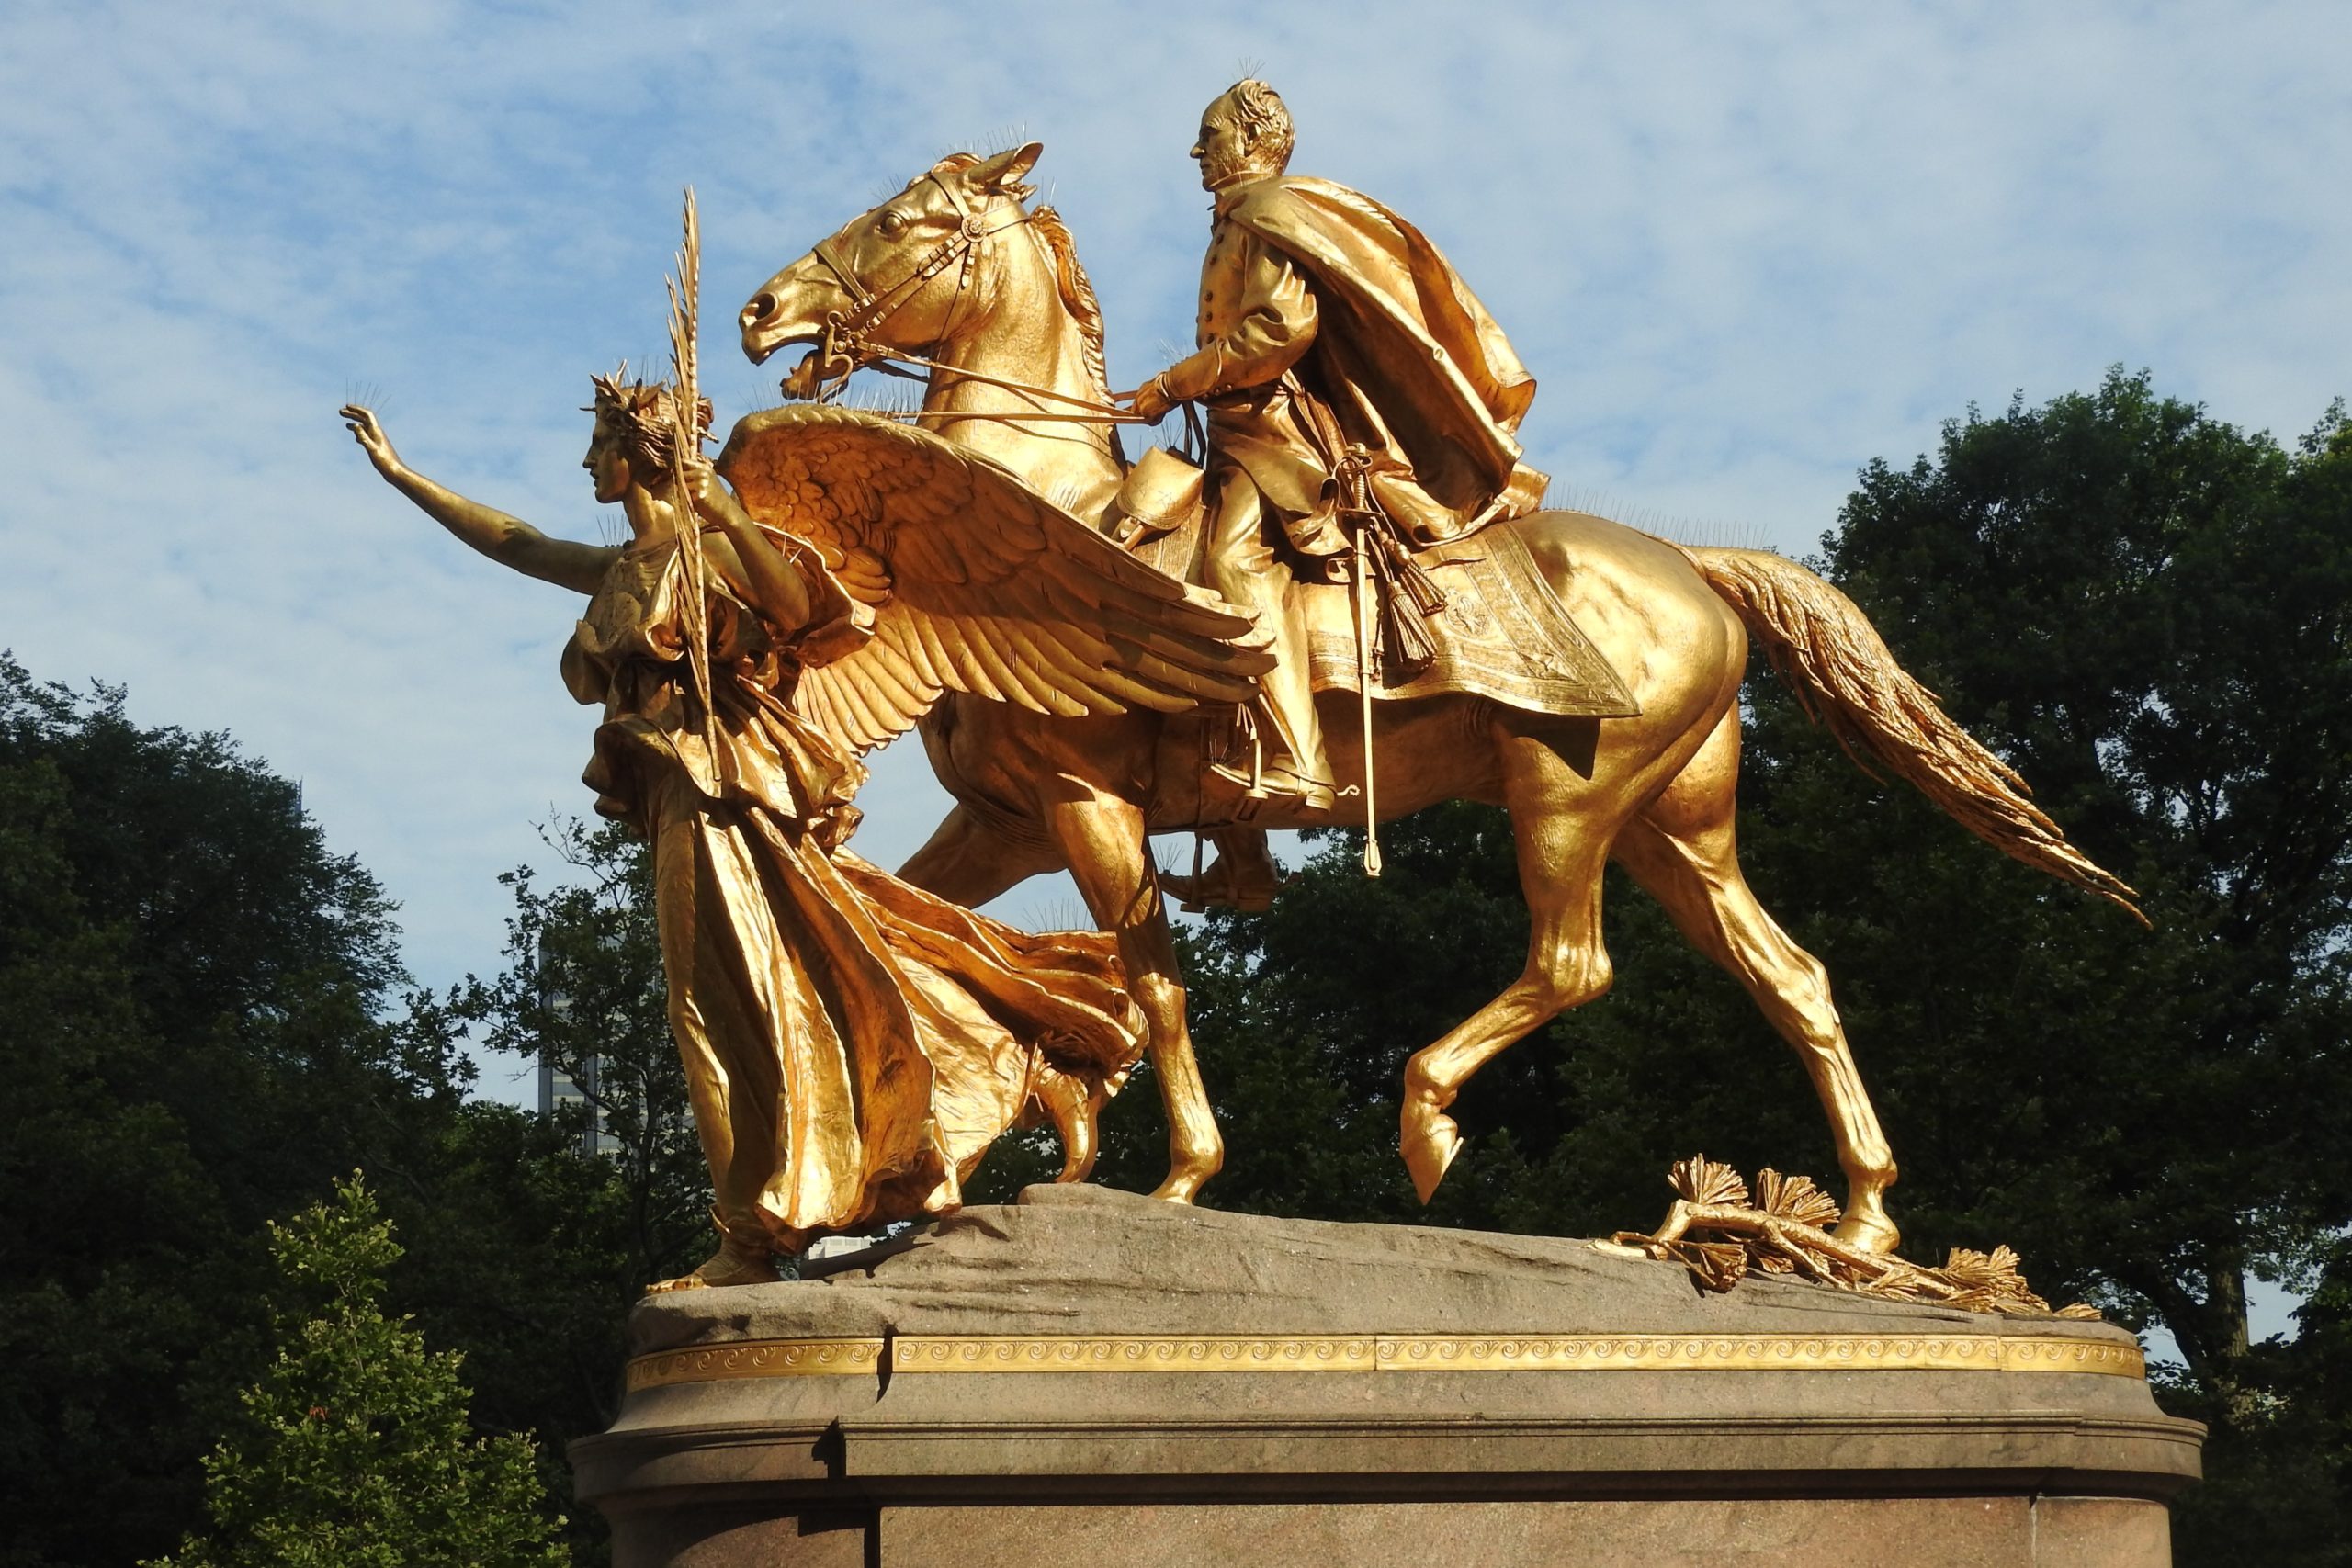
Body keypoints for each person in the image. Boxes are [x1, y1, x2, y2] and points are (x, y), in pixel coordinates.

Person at [341, 385, 1141, 1292]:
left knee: (719, 1005)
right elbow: (515, 543)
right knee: (790, 978)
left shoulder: (716, 548)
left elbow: (806, 611)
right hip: (685, 795)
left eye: (598, 443)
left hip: (725, 787)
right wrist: (403, 474)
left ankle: (752, 1240)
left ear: (637, 451)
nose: (583, 464)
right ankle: (945, 1109)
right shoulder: (627, 567)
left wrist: (724, 510)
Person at [1122, 79, 1550, 829]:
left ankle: (1302, 761)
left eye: (1212, 134)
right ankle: (1235, 838)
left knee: (1233, 560)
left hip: (1275, 433)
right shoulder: (1233, 220)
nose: (1198, 149)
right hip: (1238, 425)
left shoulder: (1263, 211)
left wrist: (1174, 381)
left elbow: (1281, 330)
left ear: (1255, 142)